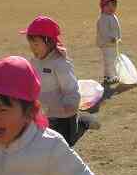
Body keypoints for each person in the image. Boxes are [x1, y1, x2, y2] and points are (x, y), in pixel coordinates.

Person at [22, 15, 97, 146]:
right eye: (30, 44)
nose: (32, 48)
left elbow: (71, 88)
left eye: (36, 44)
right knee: (47, 145)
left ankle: (83, 122)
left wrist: (70, 106)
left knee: (66, 143)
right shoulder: (34, 61)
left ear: (49, 42)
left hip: (63, 114)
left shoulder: (60, 64)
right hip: (45, 114)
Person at [96, 0, 121, 88]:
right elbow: (104, 32)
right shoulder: (103, 18)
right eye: (108, 6)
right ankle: (110, 77)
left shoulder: (112, 16)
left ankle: (108, 76)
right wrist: (111, 38)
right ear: (103, 7)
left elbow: (117, 29)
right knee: (109, 61)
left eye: (113, 6)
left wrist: (118, 37)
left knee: (113, 60)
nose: (111, 8)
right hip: (106, 44)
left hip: (113, 43)